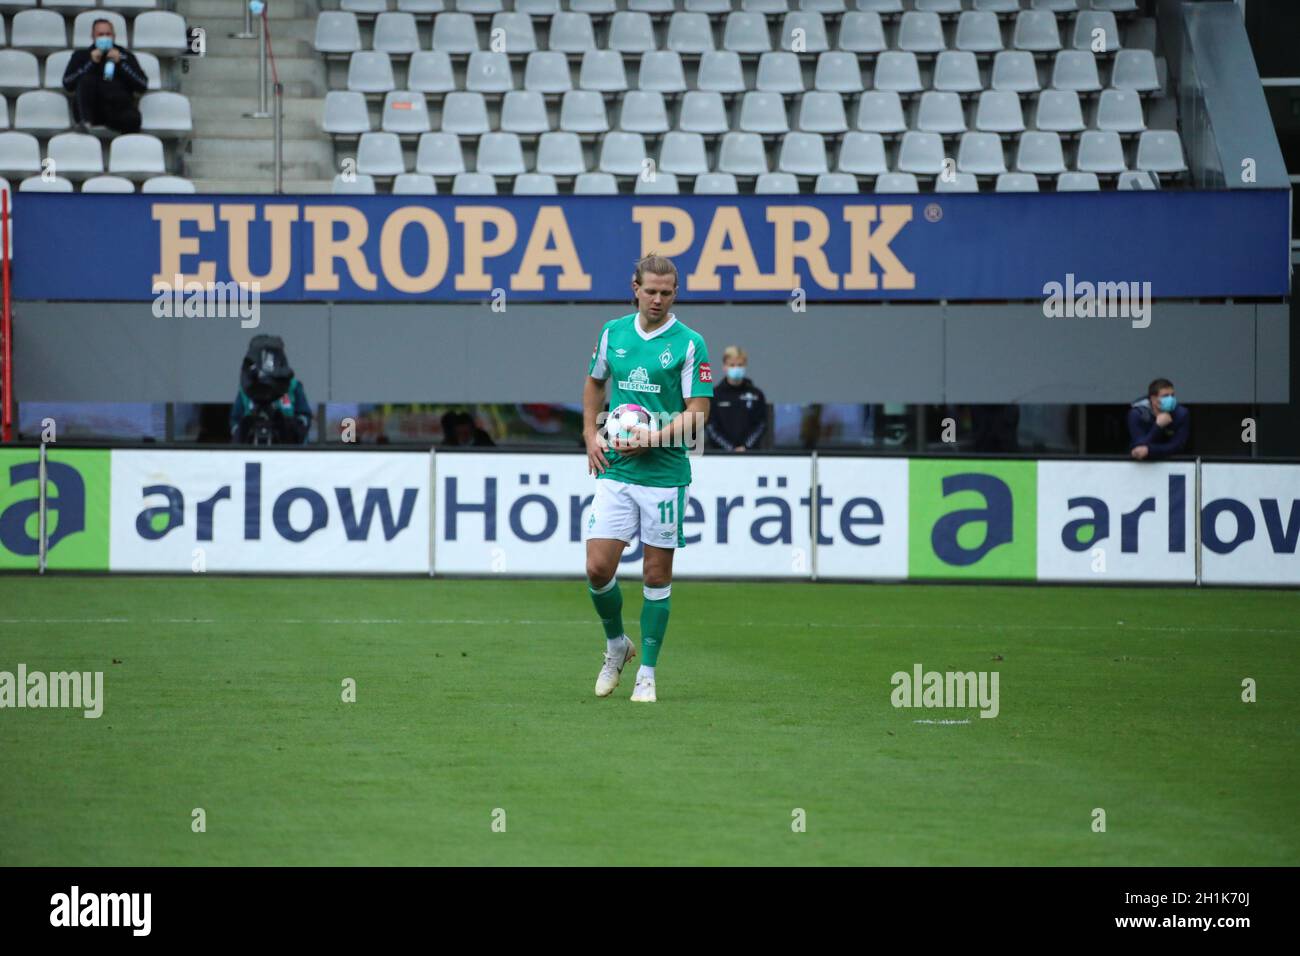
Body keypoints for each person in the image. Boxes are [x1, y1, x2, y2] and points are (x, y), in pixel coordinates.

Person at [583, 254, 712, 704]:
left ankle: (648, 675)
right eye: (650, 290)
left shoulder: (690, 343)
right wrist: (589, 435)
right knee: (598, 569)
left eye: (666, 292)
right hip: (617, 469)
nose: (657, 299)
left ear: (675, 293)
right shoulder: (612, 332)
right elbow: (595, 383)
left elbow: (698, 413)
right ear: (634, 287)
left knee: (656, 575)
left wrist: (654, 436)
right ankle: (617, 645)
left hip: (665, 473)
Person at [62, 19, 149, 134]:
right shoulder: (82, 56)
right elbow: (68, 84)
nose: (105, 37)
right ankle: (85, 124)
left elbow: (142, 85)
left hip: (117, 110)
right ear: (93, 37)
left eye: (108, 34)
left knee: (133, 118)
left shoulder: (125, 56)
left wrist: (121, 64)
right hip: (91, 112)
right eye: (100, 35)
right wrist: (91, 62)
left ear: (114, 36)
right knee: (87, 80)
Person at [230, 336, 313, 444]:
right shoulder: (247, 387)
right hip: (250, 448)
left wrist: (292, 427)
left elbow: (304, 417)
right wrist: (243, 431)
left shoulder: (293, 386)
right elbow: (235, 419)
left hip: (288, 447)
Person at [705, 345, 767, 452]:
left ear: (745, 365)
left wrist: (746, 447)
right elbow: (710, 427)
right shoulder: (715, 395)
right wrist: (730, 449)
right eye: (732, 365)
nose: (736, 368)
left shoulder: (756, 395)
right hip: (719, 456)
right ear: (724, 366)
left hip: (751, 455)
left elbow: (761, 425)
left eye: (740, 365)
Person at [1127, 377, 1189, 460]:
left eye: (1172, 395)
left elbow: (1177, 446)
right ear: (1153, 399)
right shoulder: (1137, 414)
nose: (1170, 399)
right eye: (1165, 396)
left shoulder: (1181, 414)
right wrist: (1157, 426)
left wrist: (1150, 450)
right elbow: (1139, 448)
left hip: (1172, 463)